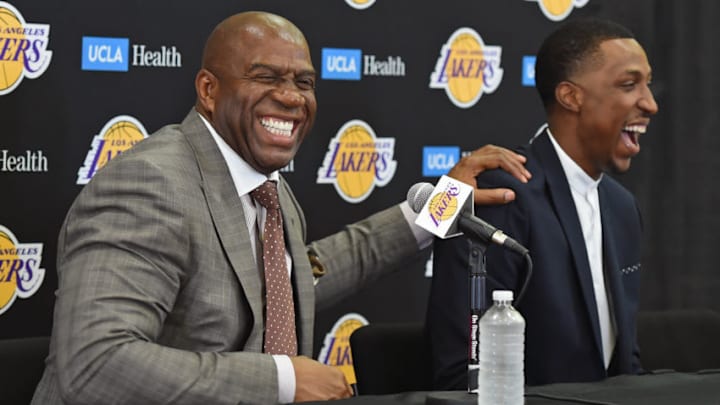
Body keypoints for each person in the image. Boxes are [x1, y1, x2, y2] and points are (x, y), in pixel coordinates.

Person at [31, 11, 530, 405]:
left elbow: (297, 280)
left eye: (304, 82)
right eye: (265, 76)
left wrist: (441, 206)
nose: (290, 97)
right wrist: (283, 380)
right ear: (209, 90)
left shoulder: (265, 183)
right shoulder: (152, 183)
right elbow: (95, 364)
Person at [427, 18, 658, 389]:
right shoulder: (500, 196)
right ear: (571, 97)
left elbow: (625, 364)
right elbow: (465, 377)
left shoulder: (622, 206)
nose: (650, 103)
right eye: (629, 85)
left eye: (647, 84)